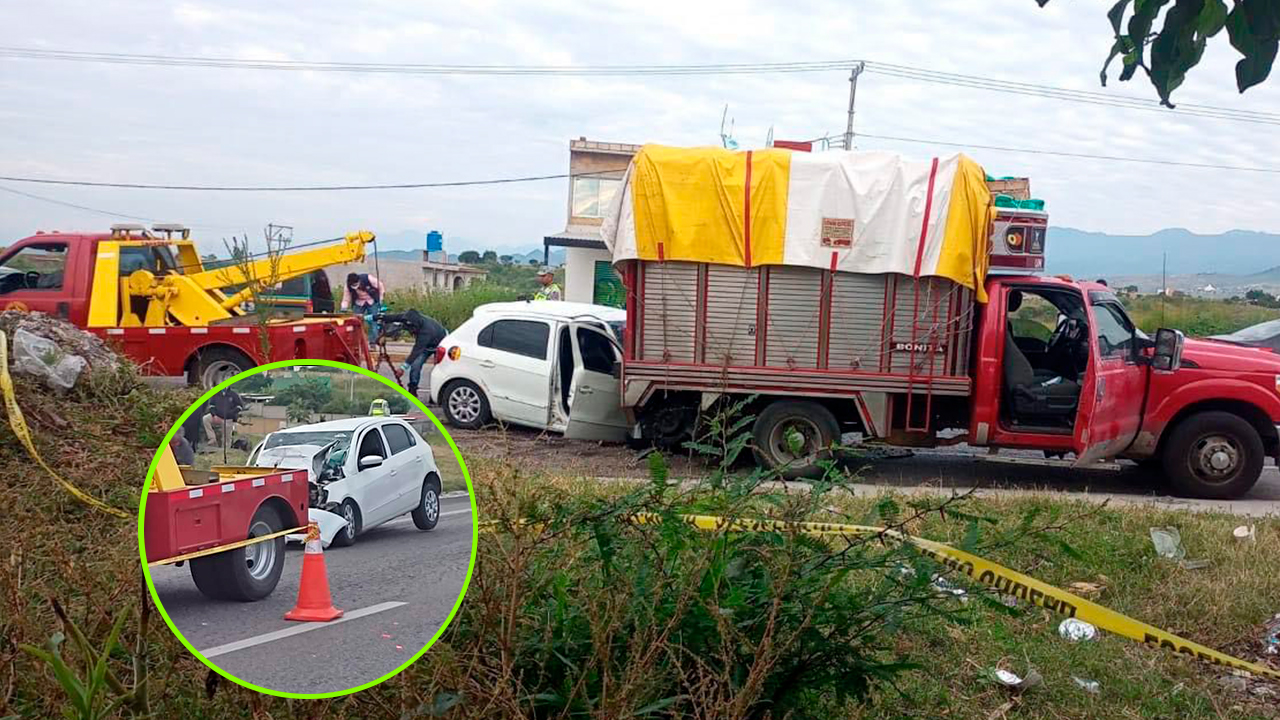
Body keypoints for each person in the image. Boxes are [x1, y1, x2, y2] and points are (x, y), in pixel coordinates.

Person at [379, 308, 447, 397]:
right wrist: (370, 317)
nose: (410, 330)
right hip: (426, 345)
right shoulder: (407, 317)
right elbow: (391, 317)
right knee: (415, 366)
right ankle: (413, 390)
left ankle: (436, 395)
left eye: (412, 328)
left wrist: (403, 368)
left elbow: (416, 351)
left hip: (440, 344)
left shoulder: (425, 332)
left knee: (438, 370)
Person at [341, 272, 387, 342]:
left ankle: (373, 342)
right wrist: (344, 307)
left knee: (373, 322)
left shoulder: (368, 278)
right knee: (355, 322)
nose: (355, 286)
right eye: (353, 285)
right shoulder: (348, 286)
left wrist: (381, 299)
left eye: (356, 284)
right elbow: (346, 298)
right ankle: (357, 341)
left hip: (371, 300)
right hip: (359, 302)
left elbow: (380, 286)